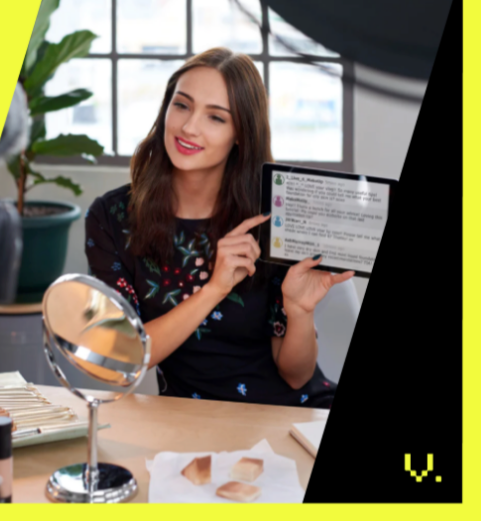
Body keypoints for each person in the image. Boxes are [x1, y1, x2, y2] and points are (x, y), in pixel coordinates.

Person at [85, 47, 353, 408]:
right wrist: (214, 289)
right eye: (181, 105)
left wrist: (299, 311)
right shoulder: (112, 218)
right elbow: (122, 357)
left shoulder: (270, 215)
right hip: (192, 422)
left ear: (240, 134)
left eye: (216, 117)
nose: (189, 127)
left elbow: (297, 376)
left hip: (292, 417)